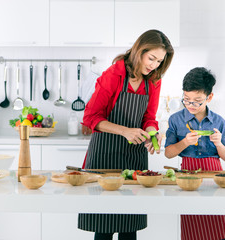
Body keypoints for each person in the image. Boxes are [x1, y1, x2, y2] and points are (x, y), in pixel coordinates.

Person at [79, 29, 174, 240]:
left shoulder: (154, 80)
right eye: (151, 58)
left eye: (159, 61)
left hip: (134, 158)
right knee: (103, 225)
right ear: (140, 50)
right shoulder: (114, 74)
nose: (154, 65)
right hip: (105, 156)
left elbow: (149, 117)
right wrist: (125, 131)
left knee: (129, 226)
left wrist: (152, 134)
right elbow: (91, 117)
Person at [164, 67, 225, 240]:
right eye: (186, 100)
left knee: (223, 225)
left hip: (215, 176)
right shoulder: (175, 120)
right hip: (188, 177)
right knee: (193, 228)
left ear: (209, 97)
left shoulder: (219, 122)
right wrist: (184, 142)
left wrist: (219, 143)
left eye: (197, 101)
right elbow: (168, 153)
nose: (191, 105)